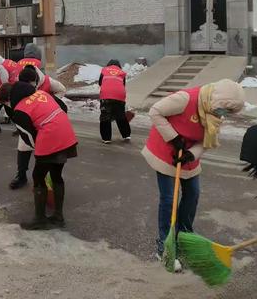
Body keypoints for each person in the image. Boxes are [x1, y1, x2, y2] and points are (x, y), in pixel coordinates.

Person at [141, 79, 245, 267]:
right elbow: (155, 111)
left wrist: (191, 154)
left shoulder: (214, 112)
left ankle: (184, 235)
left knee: (193, 194)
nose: (224, 115)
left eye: (229, 112)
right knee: (169, 198)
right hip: (166, 150)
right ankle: (164, 246)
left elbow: (206, 141)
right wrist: (174, 138)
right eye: (225, 110)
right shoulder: (185, 99)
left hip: (187, 155)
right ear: (218, 100)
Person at [0, 82, 78, 230]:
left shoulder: (20, 110)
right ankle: (58, 216)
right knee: (56, 174)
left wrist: (41, 153)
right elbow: (62, 108)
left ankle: (40, 219)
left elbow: (28, 137)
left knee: (38, 176)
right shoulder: (42, 93)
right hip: (66, 132)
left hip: (50, 136)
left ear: (9, 99)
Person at [9, 65, 67, 190]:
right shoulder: (21, 85)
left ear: (35, 80)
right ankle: (21, 175)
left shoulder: (47, 81)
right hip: (29, 120)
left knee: (47, 152)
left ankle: (48, 178)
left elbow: (62, 89)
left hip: (46, 122)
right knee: (24, 146)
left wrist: (53, 100)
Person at [99, 60, 131, 144]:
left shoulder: (104, 70)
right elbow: (122, 84)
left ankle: (106, 138)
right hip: (119, 95)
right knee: (120, 115)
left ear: (108, 65)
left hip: (106, 95)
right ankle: (126, 135)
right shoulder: (121, 72)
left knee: (105, 116)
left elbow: (100, 83)